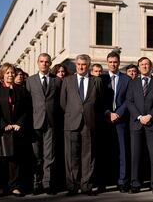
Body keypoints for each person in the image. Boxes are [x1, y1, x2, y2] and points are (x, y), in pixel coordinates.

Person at [60, 54, 104, 196]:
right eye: (78, 64)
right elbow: (63, 103)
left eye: (84, 64)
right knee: (71, 156)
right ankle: (72, 186)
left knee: (88, 156)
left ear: (88, 65)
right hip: (71, 122)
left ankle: (86, 186)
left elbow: (100, 103)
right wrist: (73, 113)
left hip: (90, 123)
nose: (80, 67)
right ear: (75, 65)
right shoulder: (67, 81)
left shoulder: (96, 81)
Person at [126, 57, 153, 194]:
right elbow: (129, 102)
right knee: (135, 155)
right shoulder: (132, 83)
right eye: (142, 64)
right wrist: (139, 117)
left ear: (151, 66)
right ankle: (135, 184)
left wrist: (150, 116)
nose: (144, 66)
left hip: (152, 123)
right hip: (136, 123)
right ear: (138, 66)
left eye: (147, 64)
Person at [26, 53, 62, 195]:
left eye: (47, 62)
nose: (44, 64)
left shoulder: (57, 81)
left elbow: (60, 103)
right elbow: (27, 104)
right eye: (41, 61)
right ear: (37, 62)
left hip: (51, 123)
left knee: (49, 155)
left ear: (50, 64)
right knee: (36, 155)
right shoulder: (30, 81)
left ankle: (48, 183)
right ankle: (36, 183)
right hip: (35, 123)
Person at [0, 63, 32, 197]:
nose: (10, 75)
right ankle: (1, 186)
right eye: (8, 73)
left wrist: (19, 123)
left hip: (17, 129)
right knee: (2, 159)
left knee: (15, 159)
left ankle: (15, 186)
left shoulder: (21, 90)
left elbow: (27, 109)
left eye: (12, 73)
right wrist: (3, 124)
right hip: (2, 130)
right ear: (2, 75)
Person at [100, 51, 131, 193]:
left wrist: (118, 113)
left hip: (121, 120)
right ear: (107, 63)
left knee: (122, 151)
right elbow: (97, 99)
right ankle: (103, 181)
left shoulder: (126, 79)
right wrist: (107, 113)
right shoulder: (100, 79)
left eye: (115, 62)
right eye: (110, 62)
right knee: (104, 151)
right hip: (105, 120)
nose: (113, 64)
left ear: (119, 63)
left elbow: (129, 99)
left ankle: (122, 181)